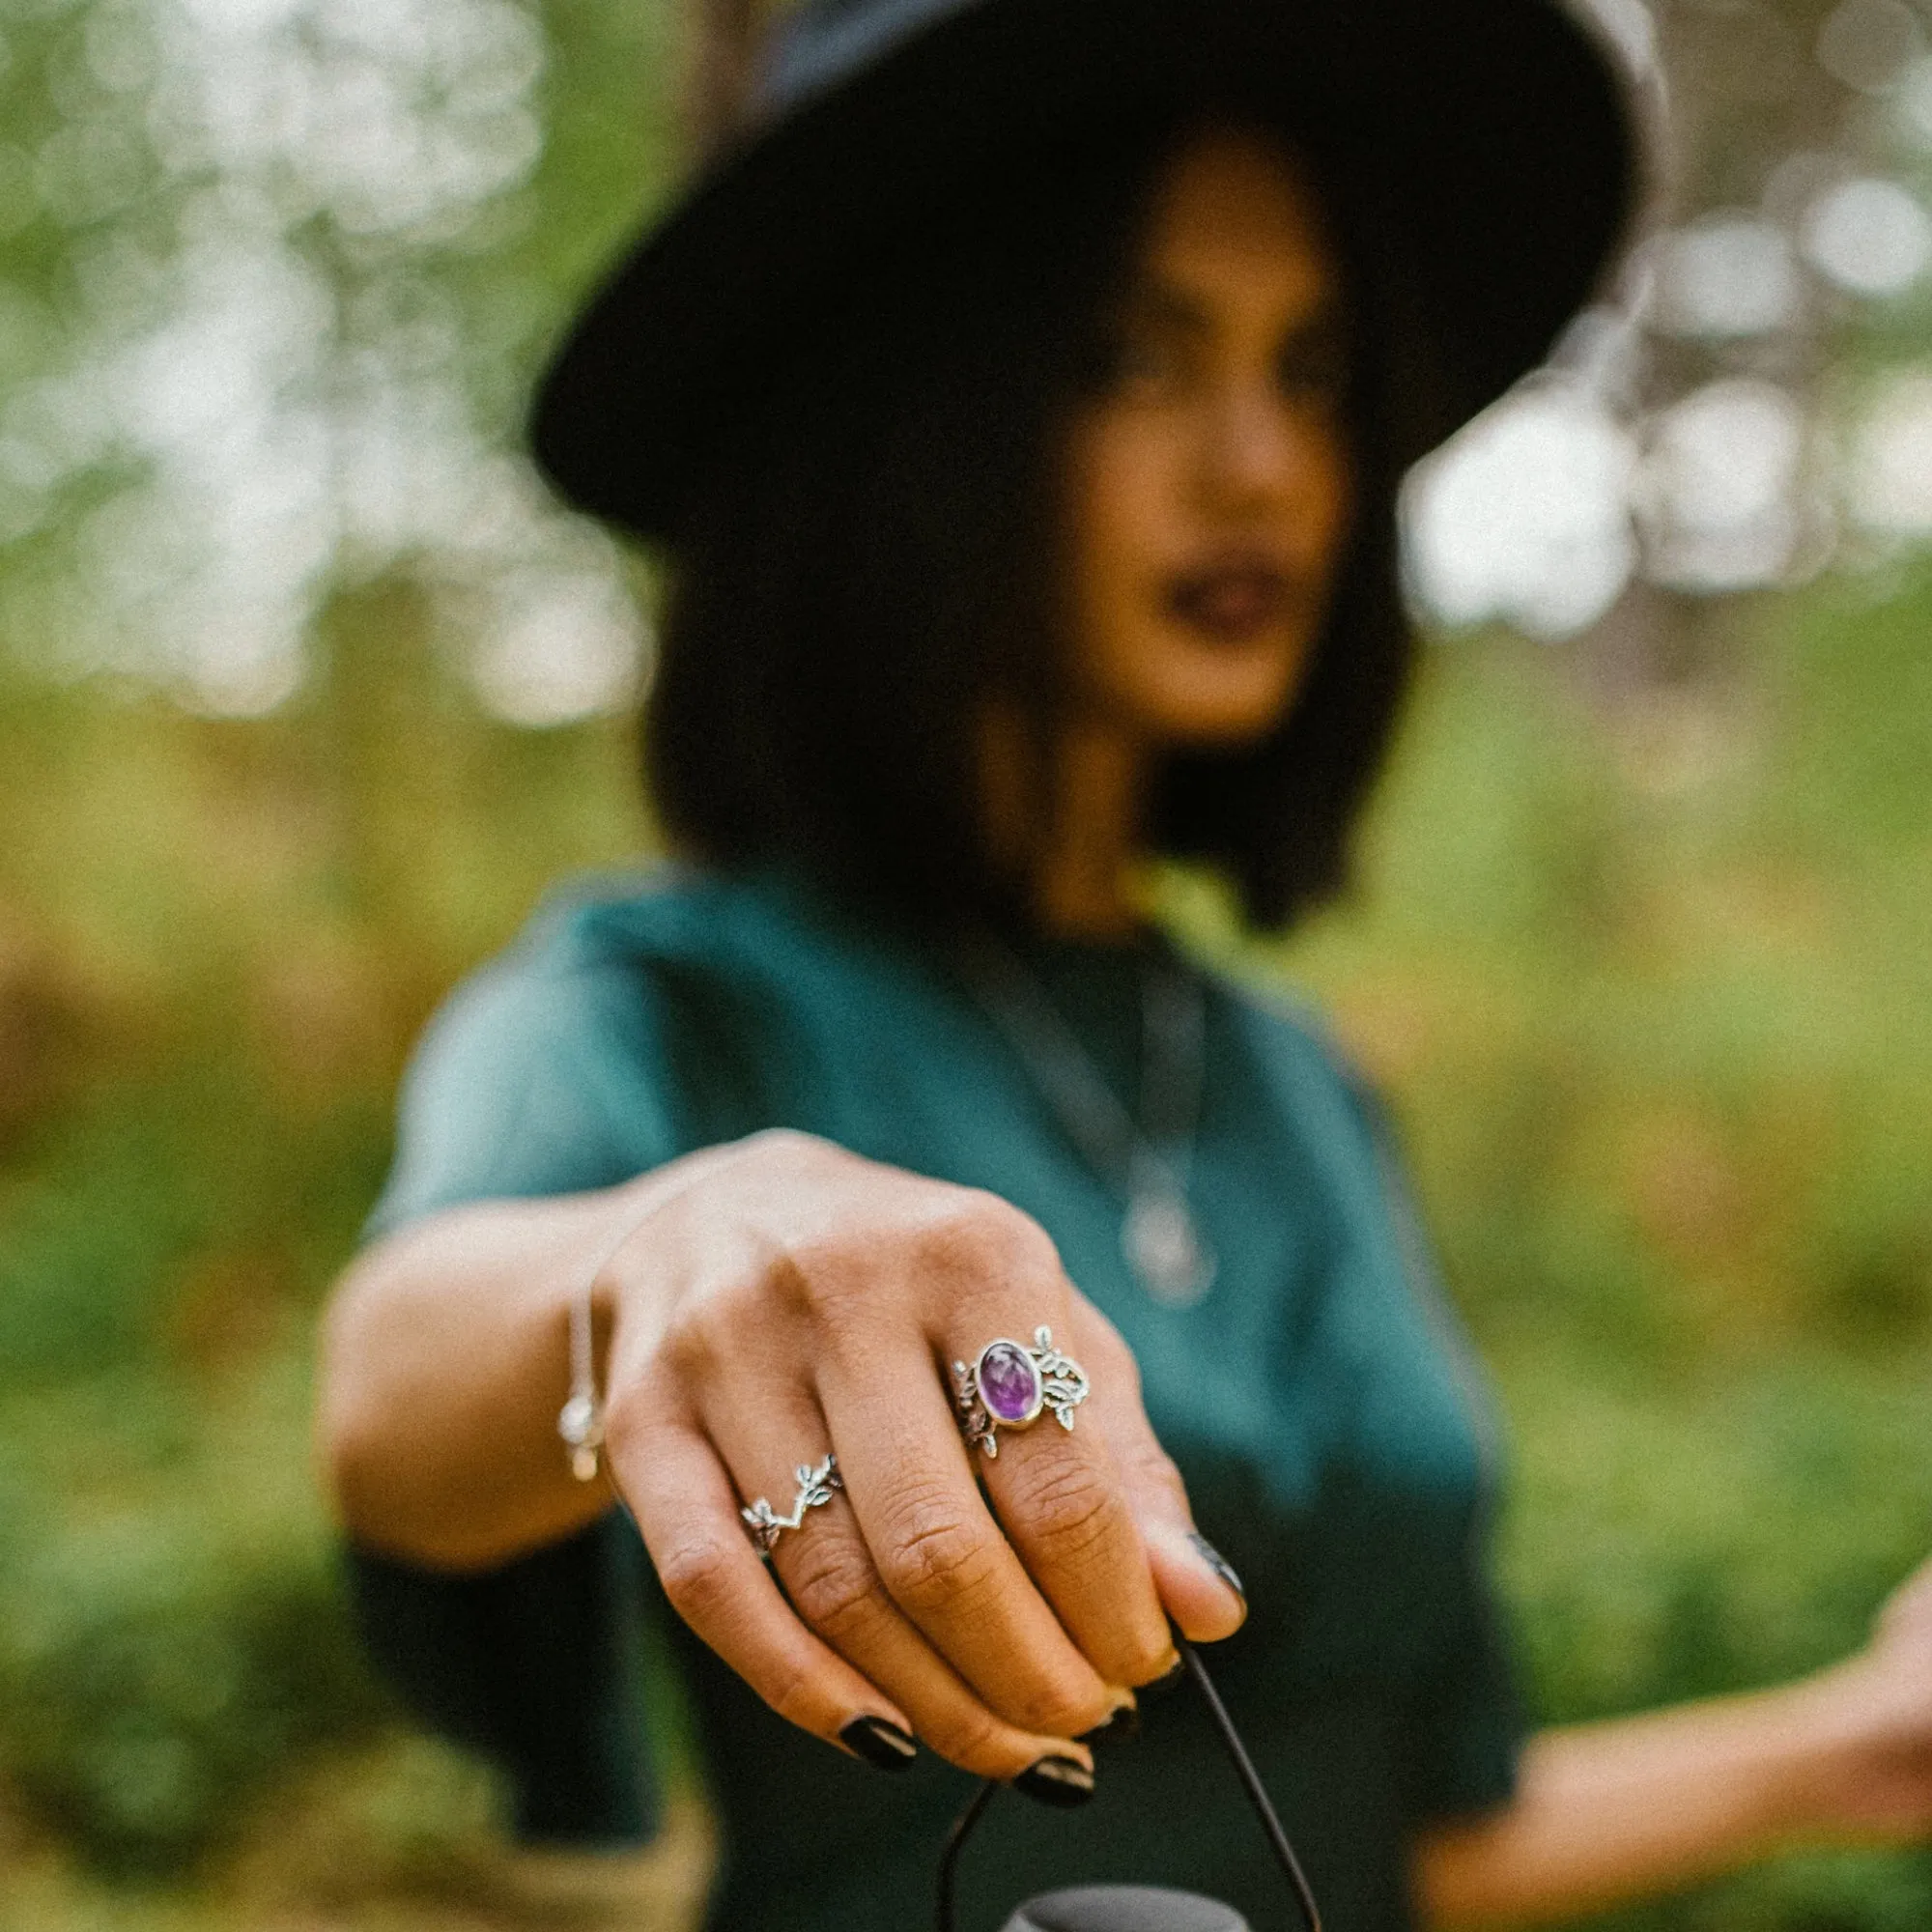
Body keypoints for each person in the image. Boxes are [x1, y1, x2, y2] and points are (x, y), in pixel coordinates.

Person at [316, 2, 1932, 1928]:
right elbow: (391, 1397)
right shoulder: (660, 1000)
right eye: (1134, 359)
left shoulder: (1290, 1079)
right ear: (914, 399)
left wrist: (1856, 1747)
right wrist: (655, 1243)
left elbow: (1406, 1830)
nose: (1261, 464)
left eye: (1312, 372)